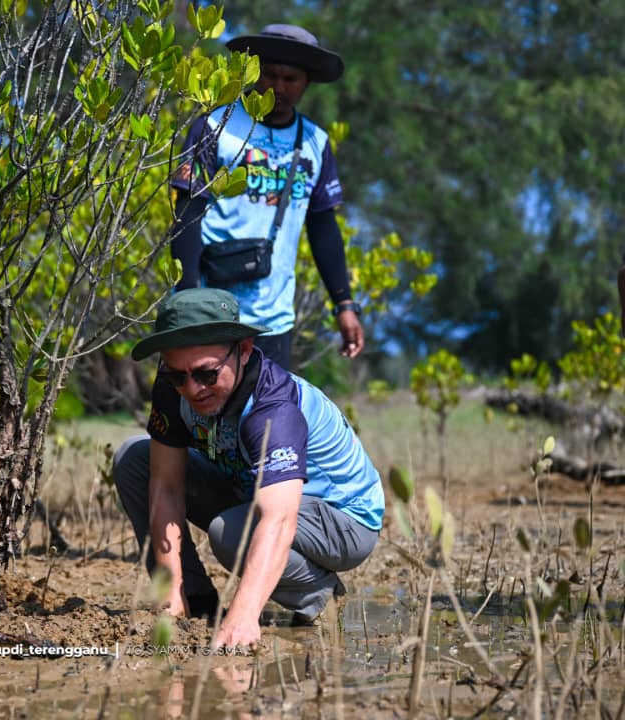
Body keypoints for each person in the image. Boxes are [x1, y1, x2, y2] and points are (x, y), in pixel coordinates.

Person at [113, 288, 383, 648]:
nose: (192, 389)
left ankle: (318, 592)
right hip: (253, 492)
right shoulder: (173, 388)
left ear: (243, 350)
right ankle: (196, 603)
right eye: (178, 376)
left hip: (343, 518)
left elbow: (278, 519)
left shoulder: (274, 407)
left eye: (207, 374)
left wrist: (243, 615)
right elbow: (167, 489)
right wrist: (170, 595)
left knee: (230, 534)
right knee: (134, 458)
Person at [169, 23, 363, 370]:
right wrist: (188, 299)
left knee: (268, 421)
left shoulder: (315, 142)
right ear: (254, 72)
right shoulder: (216, 127)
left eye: (291, 79)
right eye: (270, 75)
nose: (279, 87)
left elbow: (323, 227)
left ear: (307, 82)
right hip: (209, 310)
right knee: (192, 416)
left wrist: (344, 304)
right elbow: (188, 211)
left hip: (274, 318)